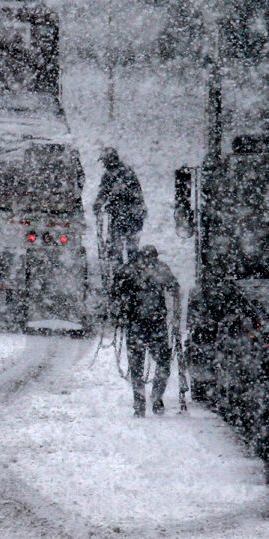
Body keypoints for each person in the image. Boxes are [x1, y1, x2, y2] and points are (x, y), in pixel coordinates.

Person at [111, 245, 180, 417]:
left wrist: (118, 315)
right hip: (156, 324)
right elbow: (174, 288)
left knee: (136, 366)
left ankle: (140, 403)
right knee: (163, 362)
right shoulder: (160, 269)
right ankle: (156, 398)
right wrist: (176, 315)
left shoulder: (128, 270)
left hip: (136, 324)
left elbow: (115, 293)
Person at [93, 147, 147, 284]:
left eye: (105, 161)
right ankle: (127, 277)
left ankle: (125, 279)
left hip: (128, 216)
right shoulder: (121, 173)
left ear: (110, 161)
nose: (104, 165)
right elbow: (105, 193)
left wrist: (100, 204)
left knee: (121, 249)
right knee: (124, 248)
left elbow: (109, 193)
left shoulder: (120, 174)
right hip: (129, 216)